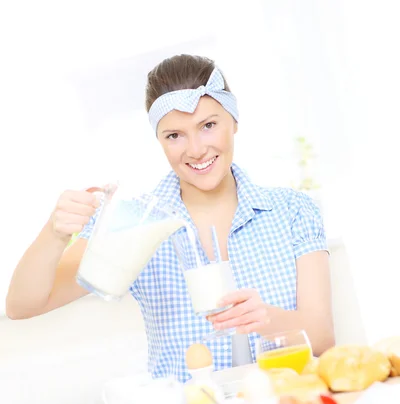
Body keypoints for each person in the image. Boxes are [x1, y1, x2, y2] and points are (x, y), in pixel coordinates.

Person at [6, 54, 335, 383]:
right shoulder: (135, 223)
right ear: (159, 141)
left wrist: (266, 318)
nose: (195, 149)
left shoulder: (292, 209)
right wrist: (54, 234)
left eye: (208, 126)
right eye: (174, 135)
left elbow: (321, 336)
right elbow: (22, 306)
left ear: (233, 121)